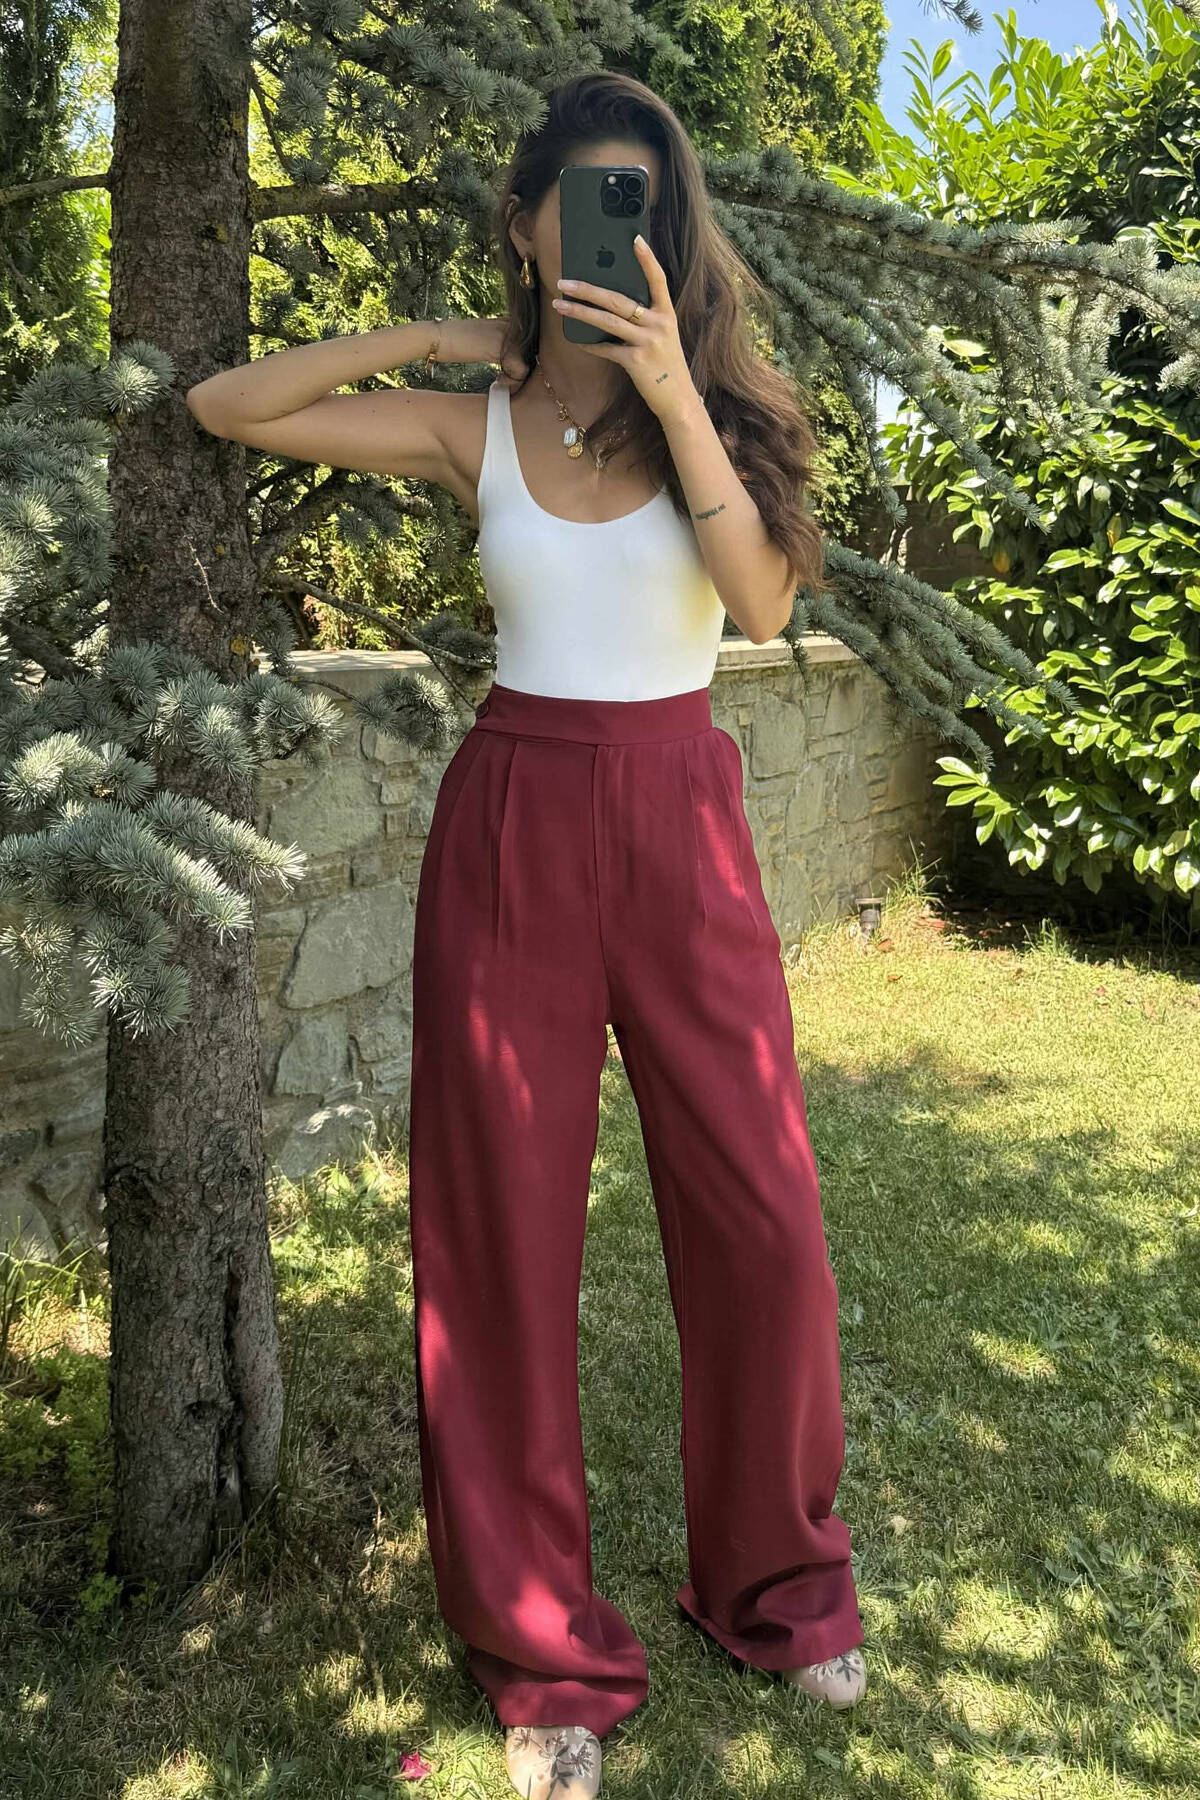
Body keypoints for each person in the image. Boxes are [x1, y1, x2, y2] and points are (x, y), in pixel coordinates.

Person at [187, 67, 867, 1800]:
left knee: (766, 1221)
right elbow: (226, 404)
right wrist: (439, 334)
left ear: (674, 233)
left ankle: (781, 1589)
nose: (613, 239)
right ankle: (546, 1653)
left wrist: (674, 386)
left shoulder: (721, 413)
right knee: (498, 1241)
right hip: (513, 826)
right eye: (583, 207)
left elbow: (762, 602)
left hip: (683, 819)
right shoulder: (473, 424)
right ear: (526, 223)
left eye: (643, 207)